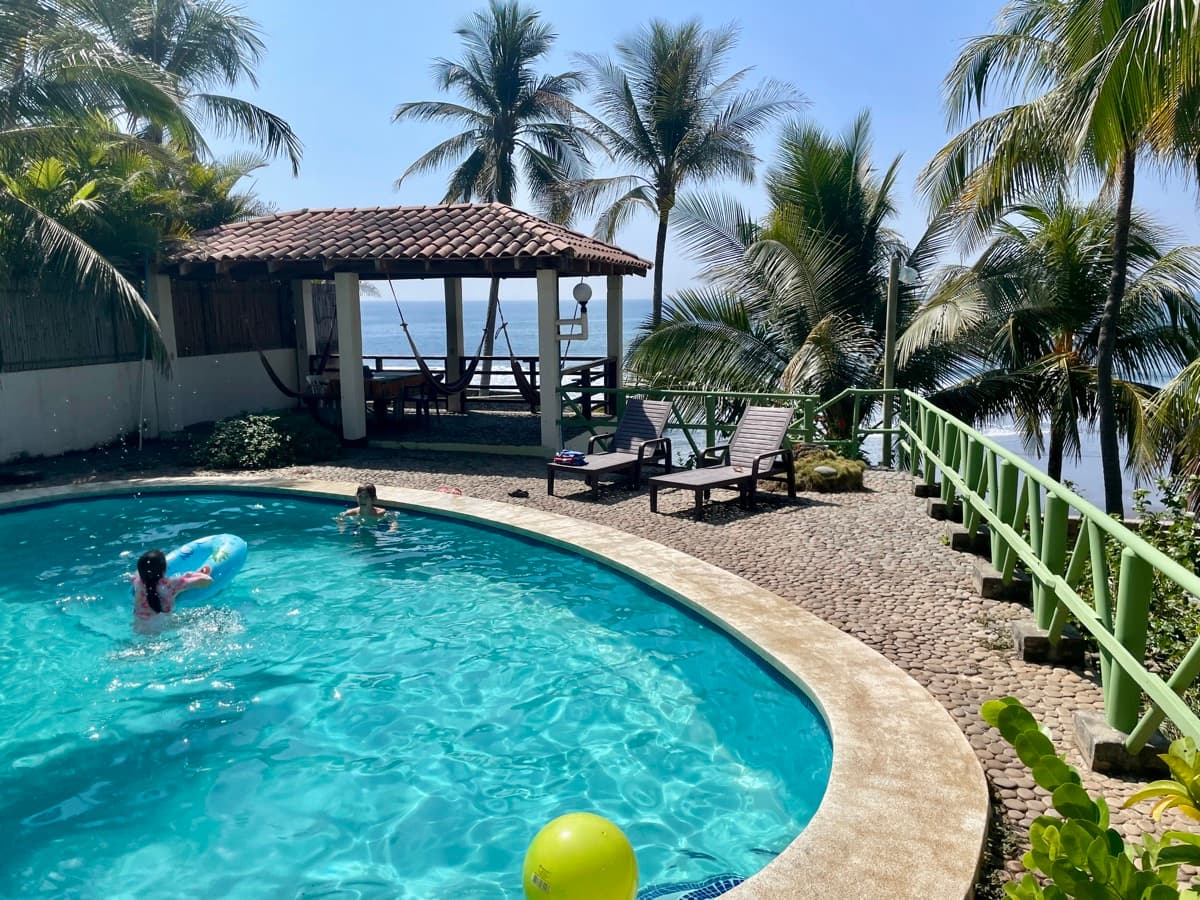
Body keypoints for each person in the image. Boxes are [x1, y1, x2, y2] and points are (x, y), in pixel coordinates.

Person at [132, 549, 212, 623]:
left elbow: (134, 575)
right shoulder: (171, 584)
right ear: (165, 568)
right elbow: (207, 580)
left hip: (137, 626)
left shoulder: (136, 581)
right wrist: (191, 574)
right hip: (163, 627)